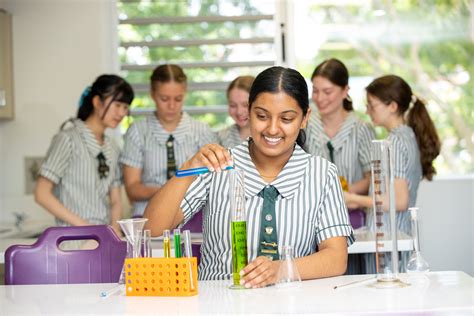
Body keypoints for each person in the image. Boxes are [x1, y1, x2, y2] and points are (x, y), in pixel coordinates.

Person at [144, 66, 354, 287]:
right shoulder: (219, 166)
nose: (272, 129)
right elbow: (152, 228)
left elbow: (336, 258)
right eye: (262, 116)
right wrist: (187, 170)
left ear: (304, 118)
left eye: (286, 118)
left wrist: (281, 269)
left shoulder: (321, 174)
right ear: (248, 113)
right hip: (218, 305)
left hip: (292, 305)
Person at [344, 74, 441, 272]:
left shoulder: (395, 142)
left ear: (392, 106)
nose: (367, 110)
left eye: (372, 104)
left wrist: (352, 198)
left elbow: (399, 201)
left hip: (391, 245)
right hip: (396, 240)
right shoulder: (407, 136)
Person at [35, 74, 134, 235]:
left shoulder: (113, 148)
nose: (122, 112)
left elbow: (116, 201)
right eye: (117, 105)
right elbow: (42, 194)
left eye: (125, 107)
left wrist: (114, 235)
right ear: (97, 102)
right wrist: (87, 229)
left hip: (102, 240)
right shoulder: (67, 139)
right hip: (72, 241)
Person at [120, 64, 216, 216]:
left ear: (185, 93)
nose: (171, 105)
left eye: (178, 99)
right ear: (152, 94)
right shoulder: (137, 131)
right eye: (164, 98)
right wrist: (172, 191)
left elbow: (212, 182)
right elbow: (132, 189)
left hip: (192, 217)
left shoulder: (202, 131)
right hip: (147, 216)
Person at [305, 58, 375, 195]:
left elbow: (372, 178)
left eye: (327, 92)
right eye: (315, 91)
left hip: (351, 212)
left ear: (345, 91)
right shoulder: (305, 126)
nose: (319, 98)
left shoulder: (361, 129)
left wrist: (340, 193)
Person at [217, 75, 255, 148]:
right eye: (233, 105)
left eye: (245, 105)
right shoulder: (220, 138)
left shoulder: (270, 136)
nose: (239, 112)